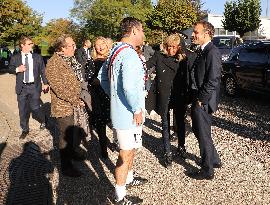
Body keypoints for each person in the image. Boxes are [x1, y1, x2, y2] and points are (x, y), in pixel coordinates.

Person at [99, 17, 147, 204]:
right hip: (128, 114)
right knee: (125, 153)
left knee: (131, 149)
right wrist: (135, 108)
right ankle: (119, 196)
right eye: (142, 30)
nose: (143, 34)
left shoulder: (114, 51)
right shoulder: (129, 54)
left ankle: (129, 178)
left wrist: (114, 96)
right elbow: (127, 87)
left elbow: (102, 77)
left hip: (123, 111)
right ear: (134, 31)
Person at [146, 34, 188, 168]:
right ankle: (167, 152)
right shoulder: (159, 56)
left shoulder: (183, 59)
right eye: (168, 47)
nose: (170, 50)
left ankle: (181, 147)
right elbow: (145, 66)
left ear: (179, 47)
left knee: (180, 122)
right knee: (165, 123)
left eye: (174, 47)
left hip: (178, 95)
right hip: (163, 94)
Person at [45, 34, 86, 177]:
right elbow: (59, 89)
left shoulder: (70, 59)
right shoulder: (53, 63)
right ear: (62, 48)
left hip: (74, 103)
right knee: (65, 137)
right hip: (64, 106)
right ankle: (66, 166)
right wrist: (75, 100)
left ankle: (73, 153)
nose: (75, 47)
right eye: (72, 45)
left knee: (74, 133)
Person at [188, 20, 222, 180]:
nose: (192, 35)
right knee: (200, 131)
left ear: (206, 33)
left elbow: (213, 79)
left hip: (203, 100)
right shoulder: (203, 50)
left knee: (202, 133)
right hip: (199, 97)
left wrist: (201, 99)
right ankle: (214, 160)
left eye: (196, 32)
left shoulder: (212, 52)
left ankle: (207, 170)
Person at [9, 36, 49, 139]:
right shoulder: (16, 57)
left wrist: (45, 83)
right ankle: (25, 129)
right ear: (22, 45)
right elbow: (10, 68)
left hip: (34, 87)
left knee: (35, 108)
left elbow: (43, 71)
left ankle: (43, 119)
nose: (32, 45)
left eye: (32, 44)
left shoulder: (37, 57)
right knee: (22, 110)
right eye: (29, 44)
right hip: (21, 88)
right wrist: (18, 69)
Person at [84, 36, 112, 159]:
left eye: (102, 44)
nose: (100, 46)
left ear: (107, 45)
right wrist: (97, 81)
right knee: (101, 123)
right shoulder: (91, 62)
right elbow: (89, 79)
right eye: (97, 44)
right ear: (94, 47)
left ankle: (118, 142)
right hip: (98, 95)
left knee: (114, 120)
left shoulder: (112, 60)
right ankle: (103, 148)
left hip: (111, 94)